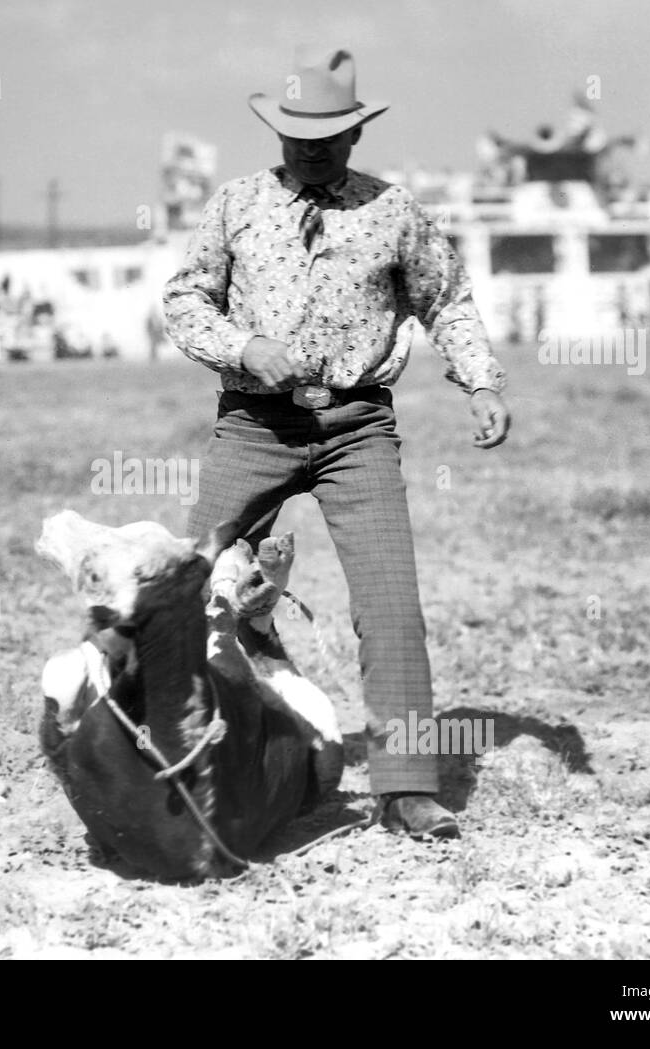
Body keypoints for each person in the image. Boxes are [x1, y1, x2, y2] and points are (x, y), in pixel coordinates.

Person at [163, 46, 510, 840]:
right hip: (255, 425)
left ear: (354, 136)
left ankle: (406, 787)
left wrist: (483, 382)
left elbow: (447, 300)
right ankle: (168, 749)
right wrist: (245, 348)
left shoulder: (393, 212)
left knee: (391, 608)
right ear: (276, 135)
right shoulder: (235, 206)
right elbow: (184, 301)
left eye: (326, 137)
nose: (310, 150)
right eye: (296, 137)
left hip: (359, 429)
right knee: (185, 589)